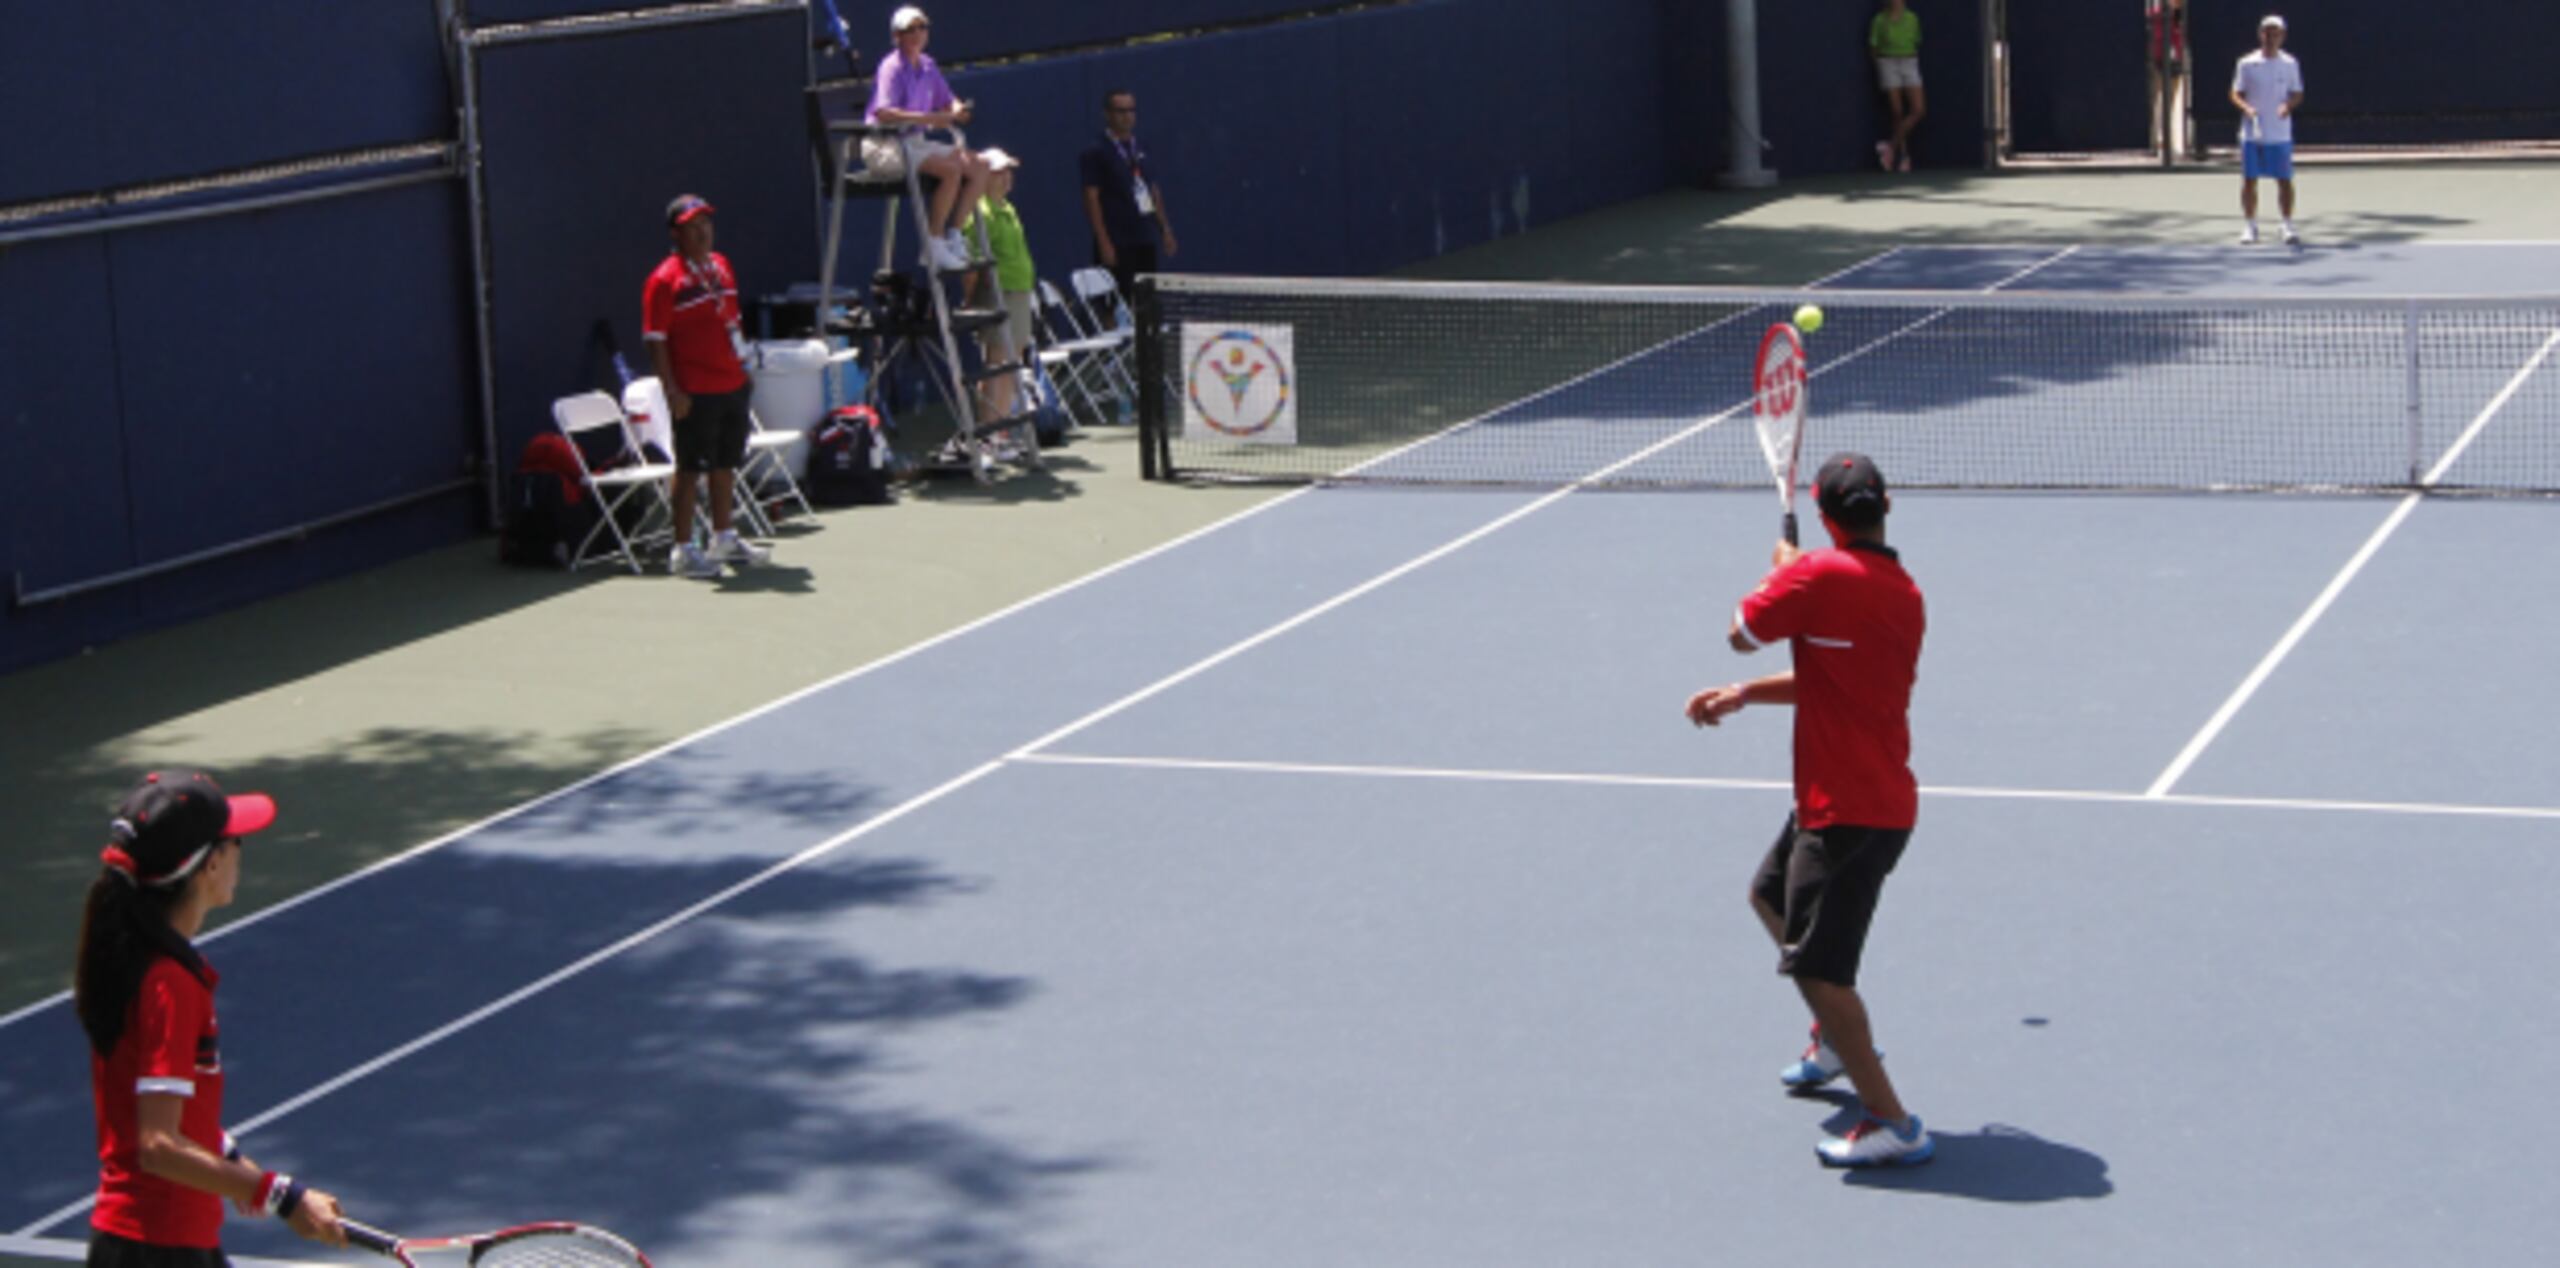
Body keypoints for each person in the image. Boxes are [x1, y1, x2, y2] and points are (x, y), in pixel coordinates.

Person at [1684, 454, 1932, 1168]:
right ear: (1885, 509)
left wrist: (1783, 570)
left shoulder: (1818, 577)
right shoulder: (1903, 592)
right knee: (1769, 895)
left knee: (1822, 970)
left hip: (1849, 813)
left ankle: (1893, 1121)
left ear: (1825, 517)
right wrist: (1745, 694)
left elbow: (1740, 627)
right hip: (1854, 800)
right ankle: (1831, 1042)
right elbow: (1828, 677)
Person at [75, 769, 350, 1265]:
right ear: (209, 865)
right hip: (155, 1251)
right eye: (234, 840)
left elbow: (172, 1117)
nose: (241, 851)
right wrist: (282, 1196)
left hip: (163, 1245)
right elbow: (158, 1145)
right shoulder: (170, 984)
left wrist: (232, 1165)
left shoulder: (143, 962)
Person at [643, 194, 770, 579]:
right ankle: (682, 550)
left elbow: (731, 320)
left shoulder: (722, 266)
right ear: (675, 234)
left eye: (706, 225)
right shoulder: (664, 280)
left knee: (725, 464)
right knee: (688, 469)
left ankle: (724, 537)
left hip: (732, 383)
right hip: (694, 391)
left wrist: (743, 365)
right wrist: (673, 391)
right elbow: (655, 339)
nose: (702, 233)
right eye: (692, 227)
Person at [865, 5, 988, 273]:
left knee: (979, 166)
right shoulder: (890, 67)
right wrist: (929, 119)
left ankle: (953, 235)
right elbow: (883, 112)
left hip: (914, 142)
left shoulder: (928, 65)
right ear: (897, 36)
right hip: (885, 147)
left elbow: (947, 100)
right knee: (951, 170)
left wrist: (956, 109)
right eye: (910, 29)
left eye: (922, 27)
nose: (918, 33)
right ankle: (933, 245)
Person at [959, 149, 1039, 427]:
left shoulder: (1007, 207)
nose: (1006, 178)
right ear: (983, 177)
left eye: (1008, 172)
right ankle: (991, 432)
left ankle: (1000, 430)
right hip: (998, 295)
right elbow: (971, 266)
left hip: (1018, 292)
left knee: (1010, 364)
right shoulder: (979, 213)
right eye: (998, 173)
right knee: (997, 366)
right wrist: (969, 300)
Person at [1080, 88, 1180, 305]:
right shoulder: (1096, 151)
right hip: (1117, 237)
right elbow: (1091, 198)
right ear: (1108, 113)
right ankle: (1113, 337)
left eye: (1131, 110)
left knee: (1146, 297)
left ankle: (1143, 338)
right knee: (1112, 300)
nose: (1127, 116)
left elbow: (1151, 188)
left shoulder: (1141, 146)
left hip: (1143, 235)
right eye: (1120, 111)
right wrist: (1104, 241)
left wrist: (1164, 228)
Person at [2230, 14, 2305, 245]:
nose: (2271, 37)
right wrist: (2247, 108)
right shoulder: (2246, 63)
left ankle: (2286, 225)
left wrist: (2287, 106)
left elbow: (2297, 93)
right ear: (2260, 34)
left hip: (2280, 133)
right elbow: (2235, 93)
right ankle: (2251, 227)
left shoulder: (2290, 64)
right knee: (2250, 180)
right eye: (2267, 32)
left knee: (2284, 180)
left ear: (2282, 36)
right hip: (2253, 133)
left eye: (2276, 33)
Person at [1869, 0, 1924, 173]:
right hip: (1887, 63)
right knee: (1897, 112)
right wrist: (1880, 66)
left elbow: (1916, 42)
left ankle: (1890, 148)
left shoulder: (1912, 19)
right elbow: (1874, 46)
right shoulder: (1879, 20)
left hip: (1909, 62)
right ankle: (1902, 158)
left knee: (1918, 110)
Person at [2147, 0, 2190, 159]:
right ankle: (2154, 140)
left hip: (2175, 62)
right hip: (2157, 60)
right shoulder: (2156, 14)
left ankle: (2166, 139)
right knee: (2155, 101)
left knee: (2170, 103)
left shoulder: (2182, 17)